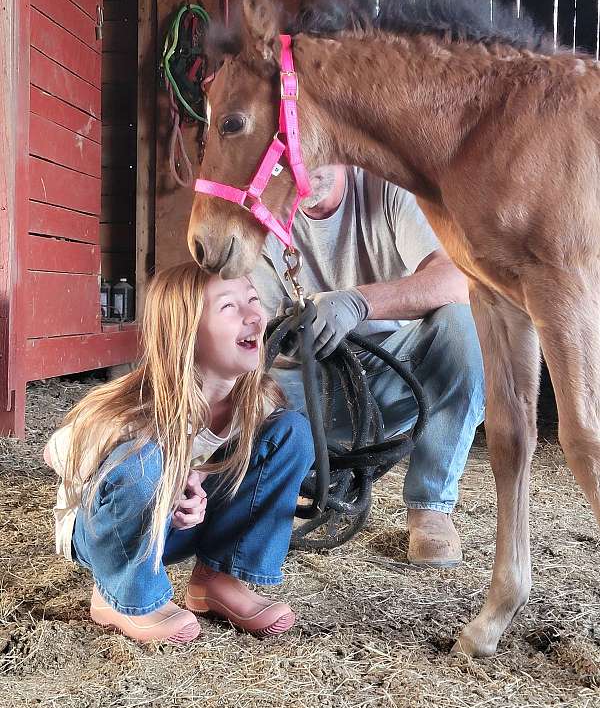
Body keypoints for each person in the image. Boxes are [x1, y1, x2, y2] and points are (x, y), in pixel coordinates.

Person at [44, 263, 314, 644]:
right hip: (107, 535)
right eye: (229, 307)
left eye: (253, 300)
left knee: (293, 434)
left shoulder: (259, 402)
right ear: (186, 332)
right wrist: (162, 474)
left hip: (179, 530)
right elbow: (55, 450)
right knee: (142, 459)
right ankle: (120, 593)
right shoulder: (134, 406)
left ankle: (217, 579)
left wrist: (194, 481)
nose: (255, 315)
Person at [251, 165, 485, 568]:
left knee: (466, 327)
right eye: (292, 159)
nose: (306, 170)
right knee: (241, 396)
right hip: (306, 382)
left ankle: (430, 507)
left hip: (395, 370)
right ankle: (271, 489)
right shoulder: (264, 214)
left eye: (319, 153)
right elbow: (259, 339)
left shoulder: (390, 189)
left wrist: (356, 303)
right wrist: (290, 331)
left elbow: (456, 279)